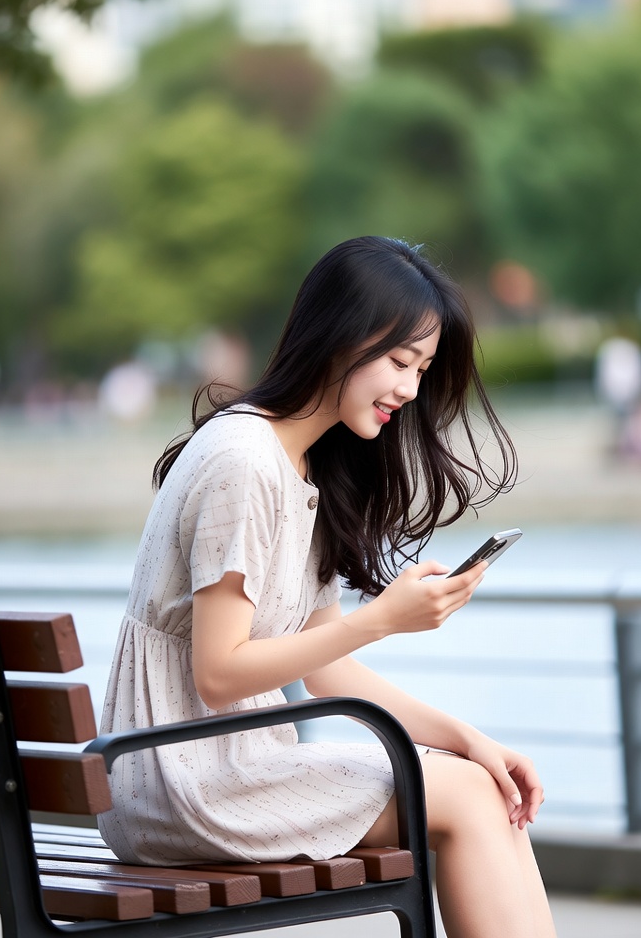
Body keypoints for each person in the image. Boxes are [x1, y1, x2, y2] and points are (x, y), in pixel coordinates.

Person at [98, 237, 557, 937]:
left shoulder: (301, 469)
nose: (409, 389)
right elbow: (220, 676)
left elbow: (326, 669)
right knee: (466, 801)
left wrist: (469, 740)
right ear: (341, 338)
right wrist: (381, 619)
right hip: (179, 783)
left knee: (480, 786)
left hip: (222, 766)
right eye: (400, 362)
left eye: (422, 370)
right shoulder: (244, 463)